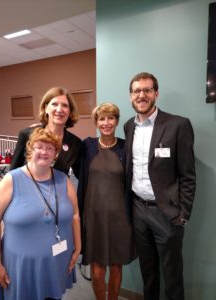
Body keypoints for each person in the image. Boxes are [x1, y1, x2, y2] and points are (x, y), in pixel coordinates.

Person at [124, 72, 196, 300]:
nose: (141, 95)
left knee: (172, 274)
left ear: (156, 93)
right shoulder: (129, 127)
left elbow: (188, 175)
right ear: (131, 96)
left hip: (167, 214)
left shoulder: (178, 125)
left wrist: (183, 215)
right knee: (149, 272)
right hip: (138, 210)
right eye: (136, 91)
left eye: (146, 90)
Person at [0, 128, 81, 300]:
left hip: (56, 262)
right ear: (30, 149)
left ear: (55, 154)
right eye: (40, 147)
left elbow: (75, 215)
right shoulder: (11, 180)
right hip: (21, 267)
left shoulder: (64, 180)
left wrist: (78, 248)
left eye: (50, 148)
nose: (44, 152)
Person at [78, 103, 136, 300]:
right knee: (96, 271)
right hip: (93, 218)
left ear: (117, 121)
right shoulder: (87, 146)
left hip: (120, 219)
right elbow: (63, 149)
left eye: (110, 118)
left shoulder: (126, 148)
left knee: (116, 268)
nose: (106, 122)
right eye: (101, 119)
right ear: (96, 122)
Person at [10, 87, 82, 178]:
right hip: (27, 191)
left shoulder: (75, 143)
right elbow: (13, 171)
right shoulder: (27, 134)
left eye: (65, 105)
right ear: (46, 108)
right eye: (54, 104)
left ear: (70, 111)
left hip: (58, 191)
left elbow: (82, 176)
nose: (59, 110)